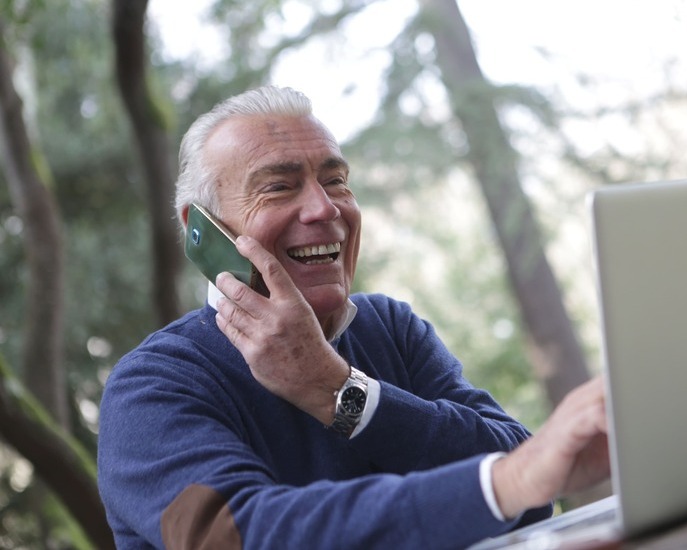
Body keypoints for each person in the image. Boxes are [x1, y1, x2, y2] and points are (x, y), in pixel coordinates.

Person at [96, 85, 610, 549]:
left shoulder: (389, 327)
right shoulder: (150, 388)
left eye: (336, 180)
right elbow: (239, 536)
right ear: (201, 231)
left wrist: (342, 392)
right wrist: (502, 483)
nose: (324, 208)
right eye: (279, 186)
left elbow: (532, 488)